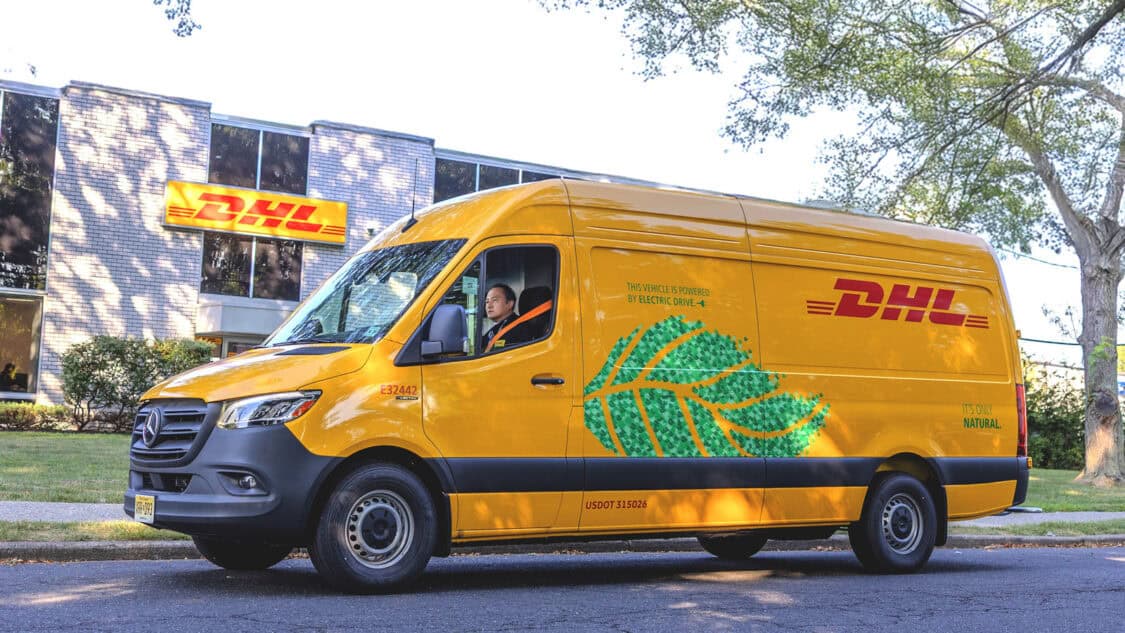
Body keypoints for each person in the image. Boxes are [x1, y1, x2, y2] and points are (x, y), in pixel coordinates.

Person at [481, 283, 528, 350]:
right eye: (487, 301)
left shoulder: (521, 329)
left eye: (495, 300)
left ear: (509, 304)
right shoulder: (493, 331)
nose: (489, 306)